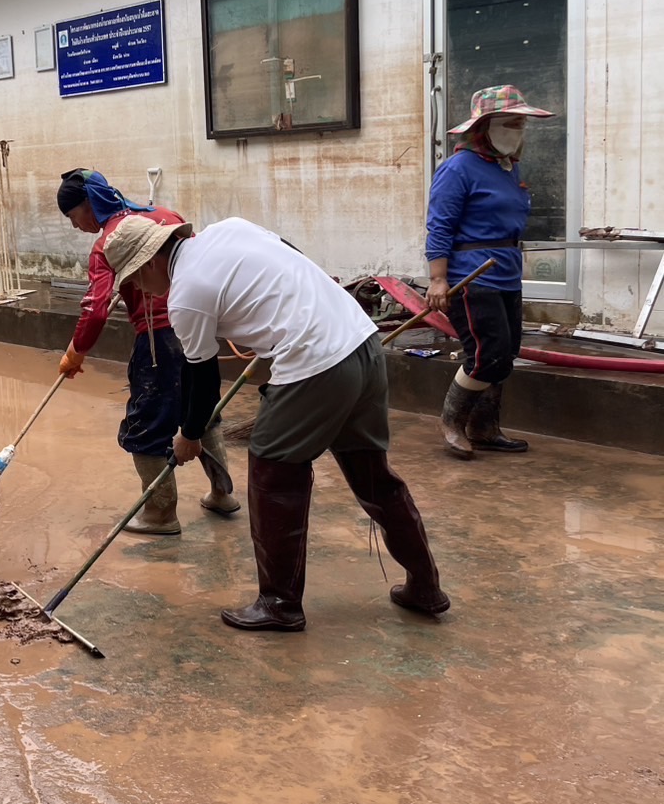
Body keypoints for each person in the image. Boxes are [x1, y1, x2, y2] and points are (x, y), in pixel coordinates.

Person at [103, 215, 449, 632]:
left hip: (315, 361)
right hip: (361, 340)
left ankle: (279, 603)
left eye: (135, 283)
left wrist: (190, 435)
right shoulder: (229, 229)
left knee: (272, 471)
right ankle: (425, 586)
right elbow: (290, 261)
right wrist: (275, 332)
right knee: (373, 475)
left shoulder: (185, 297)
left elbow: (201, 379)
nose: (141, 292)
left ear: (149, 264)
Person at [55, 168, 239, 535]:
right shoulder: (166, 217)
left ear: (90, 206)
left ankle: (160, 514)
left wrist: (75, 353)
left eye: (76, 217)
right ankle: (222, 493)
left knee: (146, 426)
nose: (77, 227)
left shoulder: (108, 243)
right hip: (199, 326)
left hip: (158, 340)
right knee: (201, 410)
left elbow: (96, 309)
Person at [426, 85, 554, 460]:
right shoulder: (458, 168)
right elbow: (440, 226)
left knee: (505, 353)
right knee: (486, 354)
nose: (517, 131)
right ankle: (453, 422)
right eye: (510, 123)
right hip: (472, 276)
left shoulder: (510, 169)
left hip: (506, 274)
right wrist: (438, 279)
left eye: (521, 125)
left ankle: (484, 428)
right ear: (482, 127)